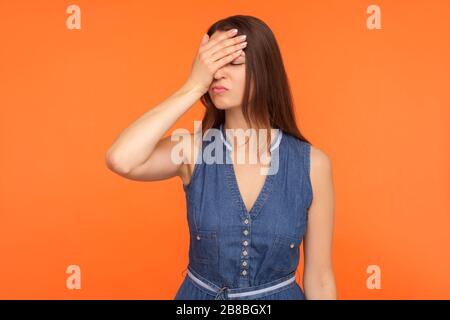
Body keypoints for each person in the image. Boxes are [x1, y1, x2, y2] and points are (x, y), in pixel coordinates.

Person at [105, 15, 337, 300]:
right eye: (212, 64)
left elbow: (321, 278)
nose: (217, 73)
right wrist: (192, 86)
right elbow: (121, 158)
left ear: (265, 70)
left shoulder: (313, 165)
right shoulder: (193, 151)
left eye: (233, 62)